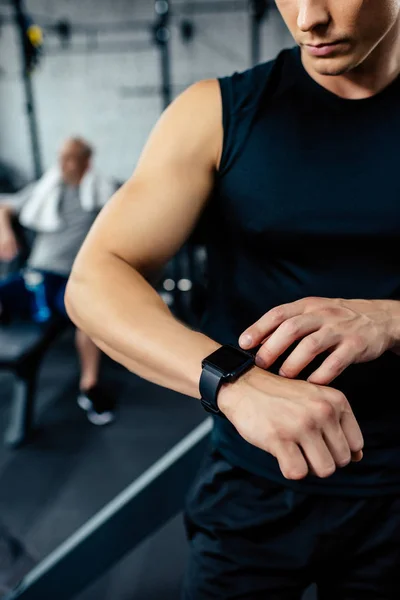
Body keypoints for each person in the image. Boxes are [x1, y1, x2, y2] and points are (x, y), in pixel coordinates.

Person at [65, 1, 400, 597]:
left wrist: (393, 320)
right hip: (253, 486)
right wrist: (234, 380)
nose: (307, 19)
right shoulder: (216, 112)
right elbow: (95, 278)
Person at [0, 137, 116, 426]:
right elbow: (4, 207)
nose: (65, 165)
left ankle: (89, 387)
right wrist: (5, 232)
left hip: (73, 278)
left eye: (72, 158)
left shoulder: (102, 192)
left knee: (88, 316)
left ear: (87, 161)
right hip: (37, 274)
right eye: (62, 158)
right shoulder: (45, 188)